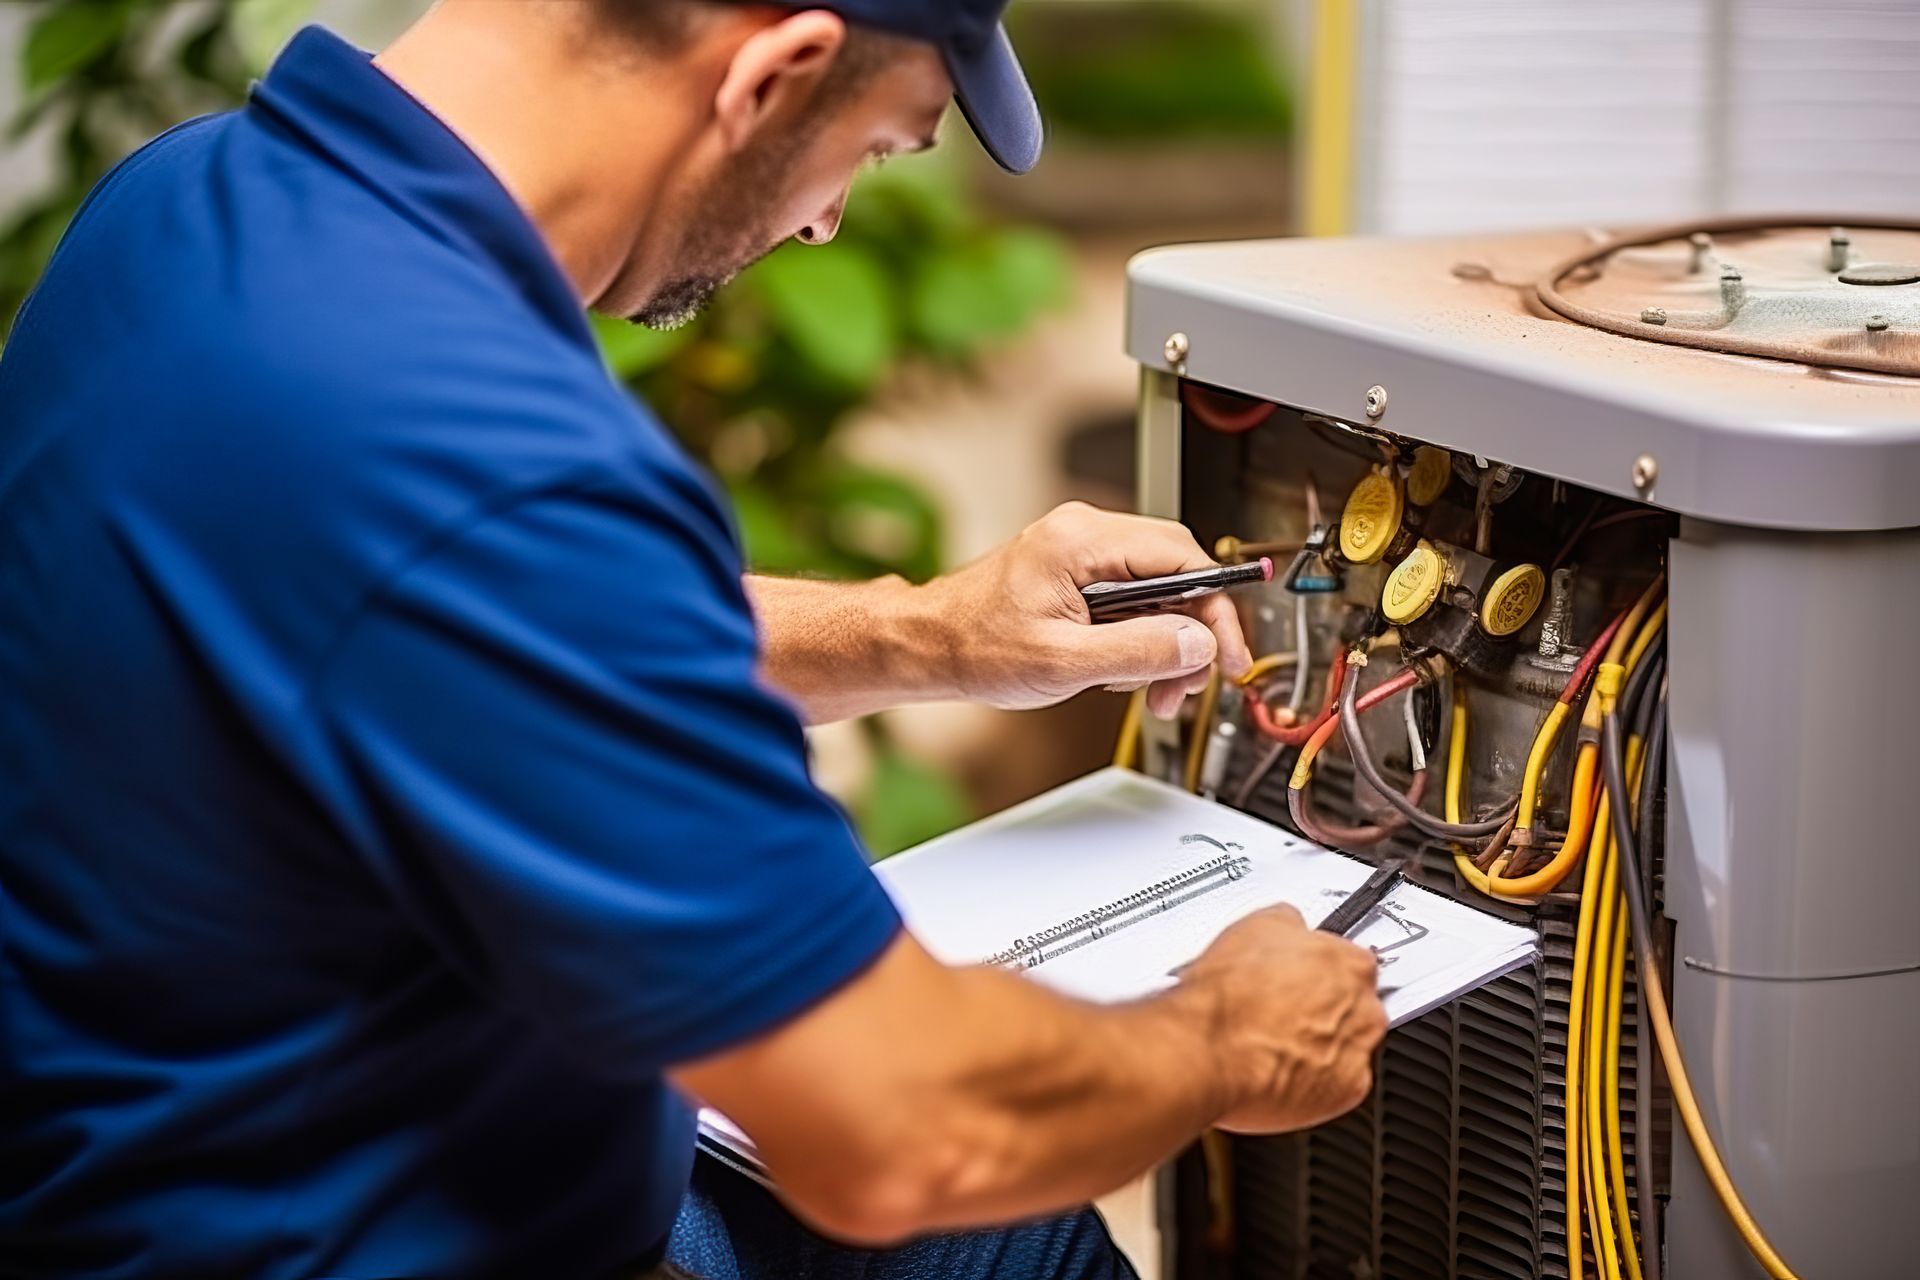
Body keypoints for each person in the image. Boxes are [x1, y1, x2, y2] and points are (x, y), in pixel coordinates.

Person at [0, 2, 1388, 1277]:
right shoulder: (479, 447)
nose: (830, 221)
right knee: (1003, 1179)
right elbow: (908, 1128)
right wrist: (1227, 1035)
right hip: (345, 1231)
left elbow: (461, 624)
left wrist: (928, 632)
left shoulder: (189, 206)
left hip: (178, 1157)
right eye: (870, 148)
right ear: (774, 73)